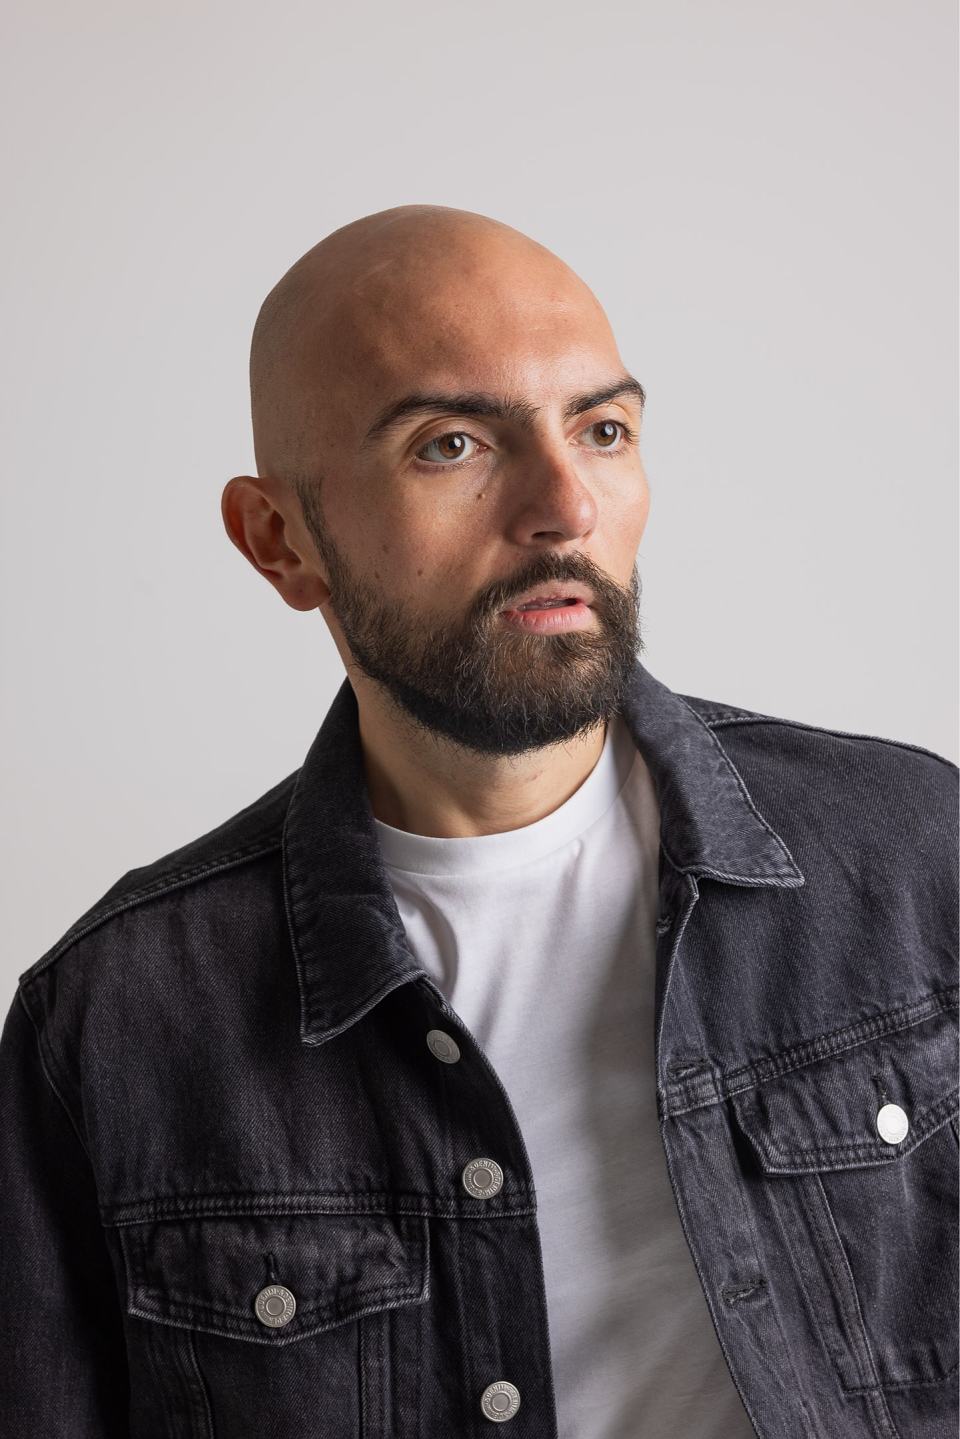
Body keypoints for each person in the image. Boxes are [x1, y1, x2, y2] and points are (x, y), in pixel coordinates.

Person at [1, 204, 956, 1438]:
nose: (565, 506)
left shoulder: (913, 857)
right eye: (453, 443)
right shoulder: (119, 1019)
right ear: (279, 539)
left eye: (603, 430)